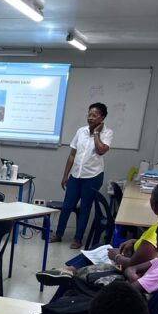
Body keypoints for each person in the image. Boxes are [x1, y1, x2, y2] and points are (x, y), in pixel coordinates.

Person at [39, 180, 158, 282]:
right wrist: (135, 241)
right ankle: (68, 270)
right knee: (99, 248)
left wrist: (116, 256)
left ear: (154, 205)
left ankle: (69, 272)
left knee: (102, 251)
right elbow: (148, 248)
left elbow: (131, 264)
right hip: (131, 260)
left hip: (125, 271)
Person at [52, 102, 113, 249]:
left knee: (85, 208)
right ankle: (58, 234)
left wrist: (96, 133)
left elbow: (101, 150)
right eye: (89, 114)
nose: (90, 118)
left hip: (93, 176)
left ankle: (78, 239)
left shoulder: (108, 133)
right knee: (67, 206)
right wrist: (65, 175)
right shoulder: (81, 131)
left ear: (102, 118)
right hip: (75, 176)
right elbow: (72, 155)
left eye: (94, 115)